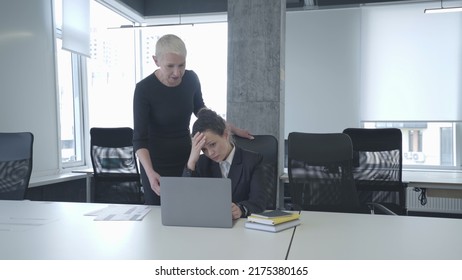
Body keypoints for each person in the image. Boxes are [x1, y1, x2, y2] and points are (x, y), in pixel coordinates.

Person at [133, 34, 252, 205]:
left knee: (189, 207)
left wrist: (231, 128)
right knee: (158, 215)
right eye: (170, 66)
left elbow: (202, 111)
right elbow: (139, 139)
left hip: (185, 158)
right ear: (156, 61)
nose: (177, 73)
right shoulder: (144, 89)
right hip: (155, 164)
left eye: (181, 65)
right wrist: (150, 173)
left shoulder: (191, 79)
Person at [183, 109, 267, 219]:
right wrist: (191, 161)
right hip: (209, 225)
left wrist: (241, 209)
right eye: (204, 149)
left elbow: (259, 202)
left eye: (212, 144)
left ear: (225, 135)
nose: (210, 153)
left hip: (241, 228)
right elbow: (185, 200)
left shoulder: (252, 160)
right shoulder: (201, 163)